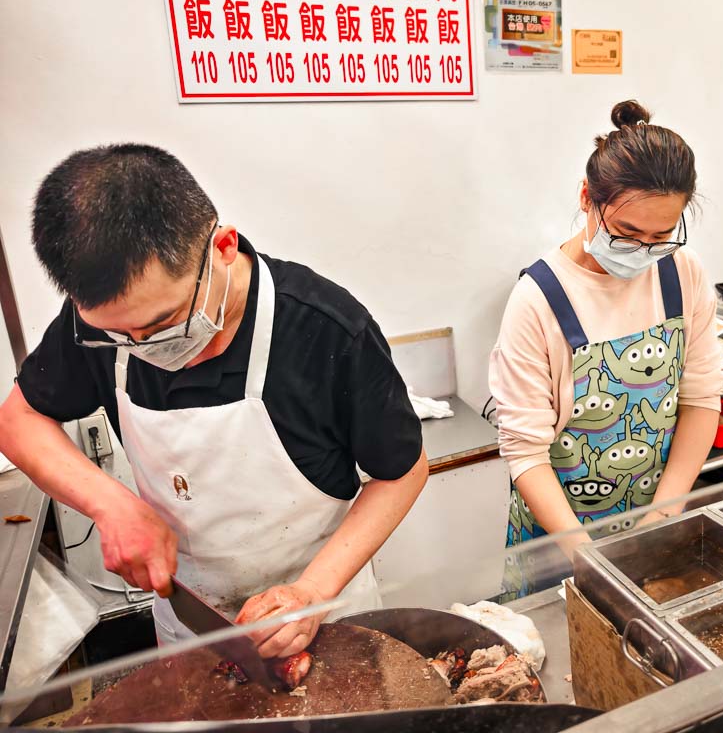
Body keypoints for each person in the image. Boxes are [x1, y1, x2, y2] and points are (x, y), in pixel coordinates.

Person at [0, 145, 428, 657]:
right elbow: (17, 419)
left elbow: (403, 471)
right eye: (119, 336)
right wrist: (109, 504)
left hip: (325, 614)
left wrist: (312, 593)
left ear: (222, 247)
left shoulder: (326, 329)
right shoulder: (97, 328)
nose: (144, 348)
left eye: (162, 325)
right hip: (191, 628)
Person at [489, 100, 723, 586]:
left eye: (661, 235)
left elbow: (702, 398)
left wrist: (663, 516)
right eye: (625, 232)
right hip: (557, 539)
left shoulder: (682, 273)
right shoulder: (537, 299)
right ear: (586, 199)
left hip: (654, 521)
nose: (642, 251)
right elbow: (526, 451)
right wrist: (589, 558)